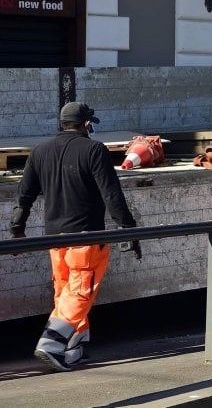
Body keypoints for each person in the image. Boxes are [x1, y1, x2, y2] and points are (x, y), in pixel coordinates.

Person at [8, 102, 141, 372]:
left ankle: (74, 347)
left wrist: (17, 229)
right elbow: (111, 194)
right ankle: (52, 343)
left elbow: (24, 196)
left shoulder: (40, 152)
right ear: (87, 124)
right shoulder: (94, 150)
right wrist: (129, 229)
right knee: (80, 292)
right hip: (86, 237)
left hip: (53, 240)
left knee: (65, 293)